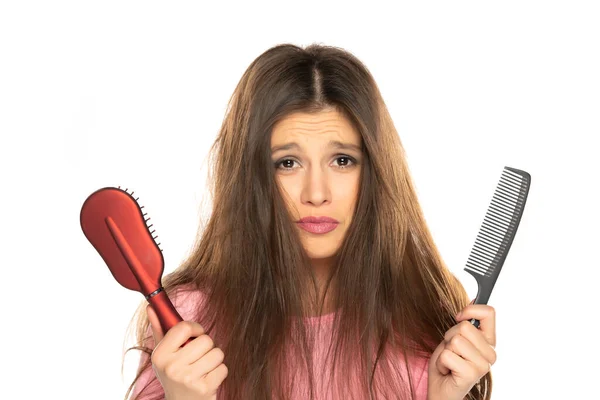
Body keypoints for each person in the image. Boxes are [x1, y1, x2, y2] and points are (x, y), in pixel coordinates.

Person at [123, 43, 496, 400]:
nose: (316, 193)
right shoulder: (186, 321)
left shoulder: (431, 319)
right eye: (287, 163)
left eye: (342, 160)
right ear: (252, 179)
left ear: (376, 172)